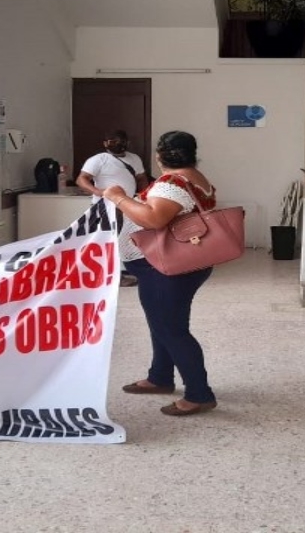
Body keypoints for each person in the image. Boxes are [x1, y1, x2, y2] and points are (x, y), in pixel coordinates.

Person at [102, 131, 219, 417]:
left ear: (158, 155)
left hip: (165, 267)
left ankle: (199, 395)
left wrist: (118, 197)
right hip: (180, 264)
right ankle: (160, 377)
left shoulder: (171, 182)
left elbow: (153, 219)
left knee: (171, 329)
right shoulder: (196, 177)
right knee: (164, 324)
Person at [76, 129, 149, 287]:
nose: (118, 144)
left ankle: (124, 270)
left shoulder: (134, 158)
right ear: (105, 143)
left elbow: (141, 178)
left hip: (129, 205)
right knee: (108, 240)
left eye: (121, 140)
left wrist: (143, 196)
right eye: (112, 141)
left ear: (127, 142)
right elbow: (82, 179)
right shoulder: (98, 159)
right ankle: (111, 276)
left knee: (127, 239)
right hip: (107, 206)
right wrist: (99, 192)